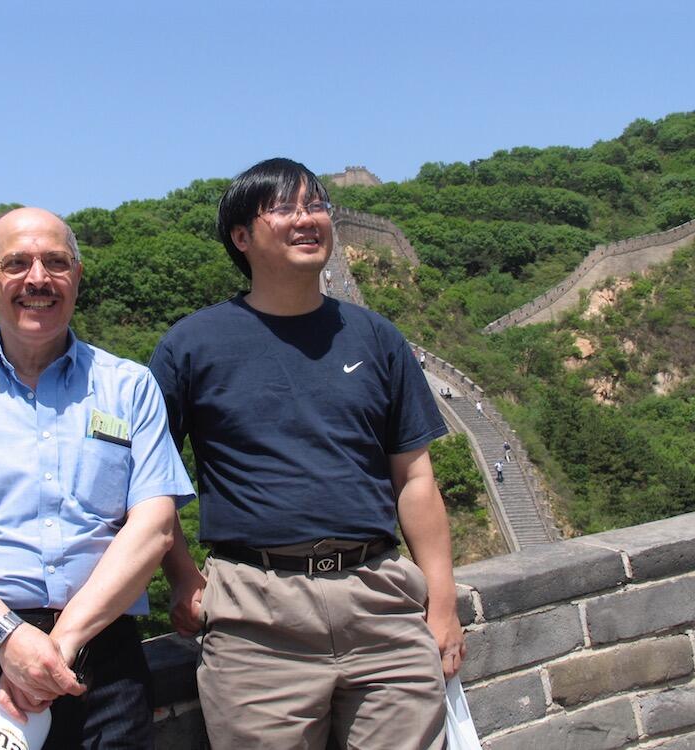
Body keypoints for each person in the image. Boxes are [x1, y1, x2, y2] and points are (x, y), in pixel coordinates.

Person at [149, 158, 464, 750]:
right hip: (256, 619)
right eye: (286, 207)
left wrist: (441, 604)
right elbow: (146, 484)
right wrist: (184, 577)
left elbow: (415, 478)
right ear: (241, 237)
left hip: (381, 607)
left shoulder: (376, 337)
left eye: (316, 205)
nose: (307, 218)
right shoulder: (192, 346)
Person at [0, 207, 194, 749]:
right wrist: (8, 638)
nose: (38, 278)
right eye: (16, 263)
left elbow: (155, 524)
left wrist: (58, 643)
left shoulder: (130, 387)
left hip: (103, 646)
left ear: (77, 276)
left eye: (55, 262)